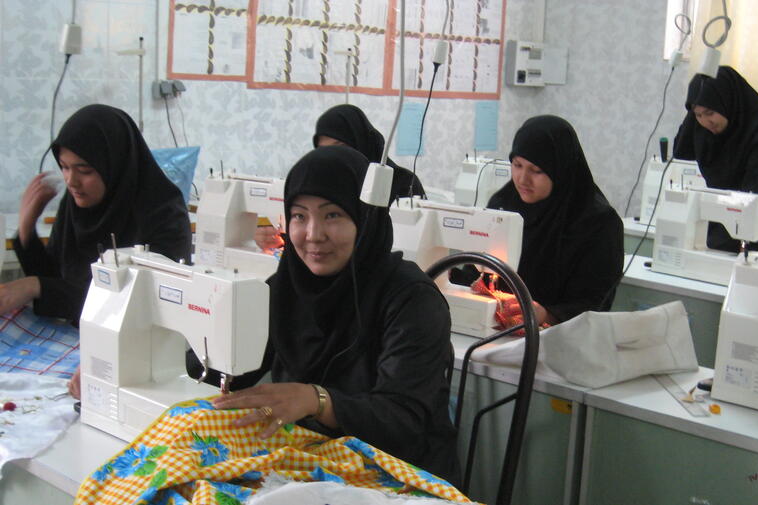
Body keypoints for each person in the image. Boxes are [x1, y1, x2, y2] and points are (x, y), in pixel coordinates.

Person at [202, 146, 459, 483]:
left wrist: (317, 401)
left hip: (399, 475)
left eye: (332, 215)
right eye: (299, 216)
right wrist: (207, 328)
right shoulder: (284, 288)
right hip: (309, 460)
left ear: (365, 219)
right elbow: (233, 372)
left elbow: (403, 421)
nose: (313, 234)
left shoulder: (411, 299)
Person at [1, 104, 191, 322]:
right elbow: (55, 280)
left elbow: (140, 304)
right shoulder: (76, 205)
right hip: (80, 332)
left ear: (115, 164)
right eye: (64, 167)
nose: (71, 181)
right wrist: (26, 230)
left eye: (85, 171)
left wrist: (36, 286)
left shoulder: (164, 214)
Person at [458, 115, 624, 327]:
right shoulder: (503, 204)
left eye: (536, 171)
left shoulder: (599, 223)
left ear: (560, 170)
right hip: (500, 328)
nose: (522, 179)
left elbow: (594, 304)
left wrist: (546, 315)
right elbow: (476, 270)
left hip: (561, 337)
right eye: (517, 165)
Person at [255, 104, 425, 251]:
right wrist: (275, 238)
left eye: (342, 147)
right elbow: (311, 236)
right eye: (324, 150)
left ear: (362, 142)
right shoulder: (320, 185)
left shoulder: (404, 184)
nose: (334, 157)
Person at [673, 65, 758, 252]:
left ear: (727, 102)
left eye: (710, 113)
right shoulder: (701, 130)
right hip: (703, 229)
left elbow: (753, 199)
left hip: (742, 235)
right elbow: (680, 156)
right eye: (698, 115)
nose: (705, 122)